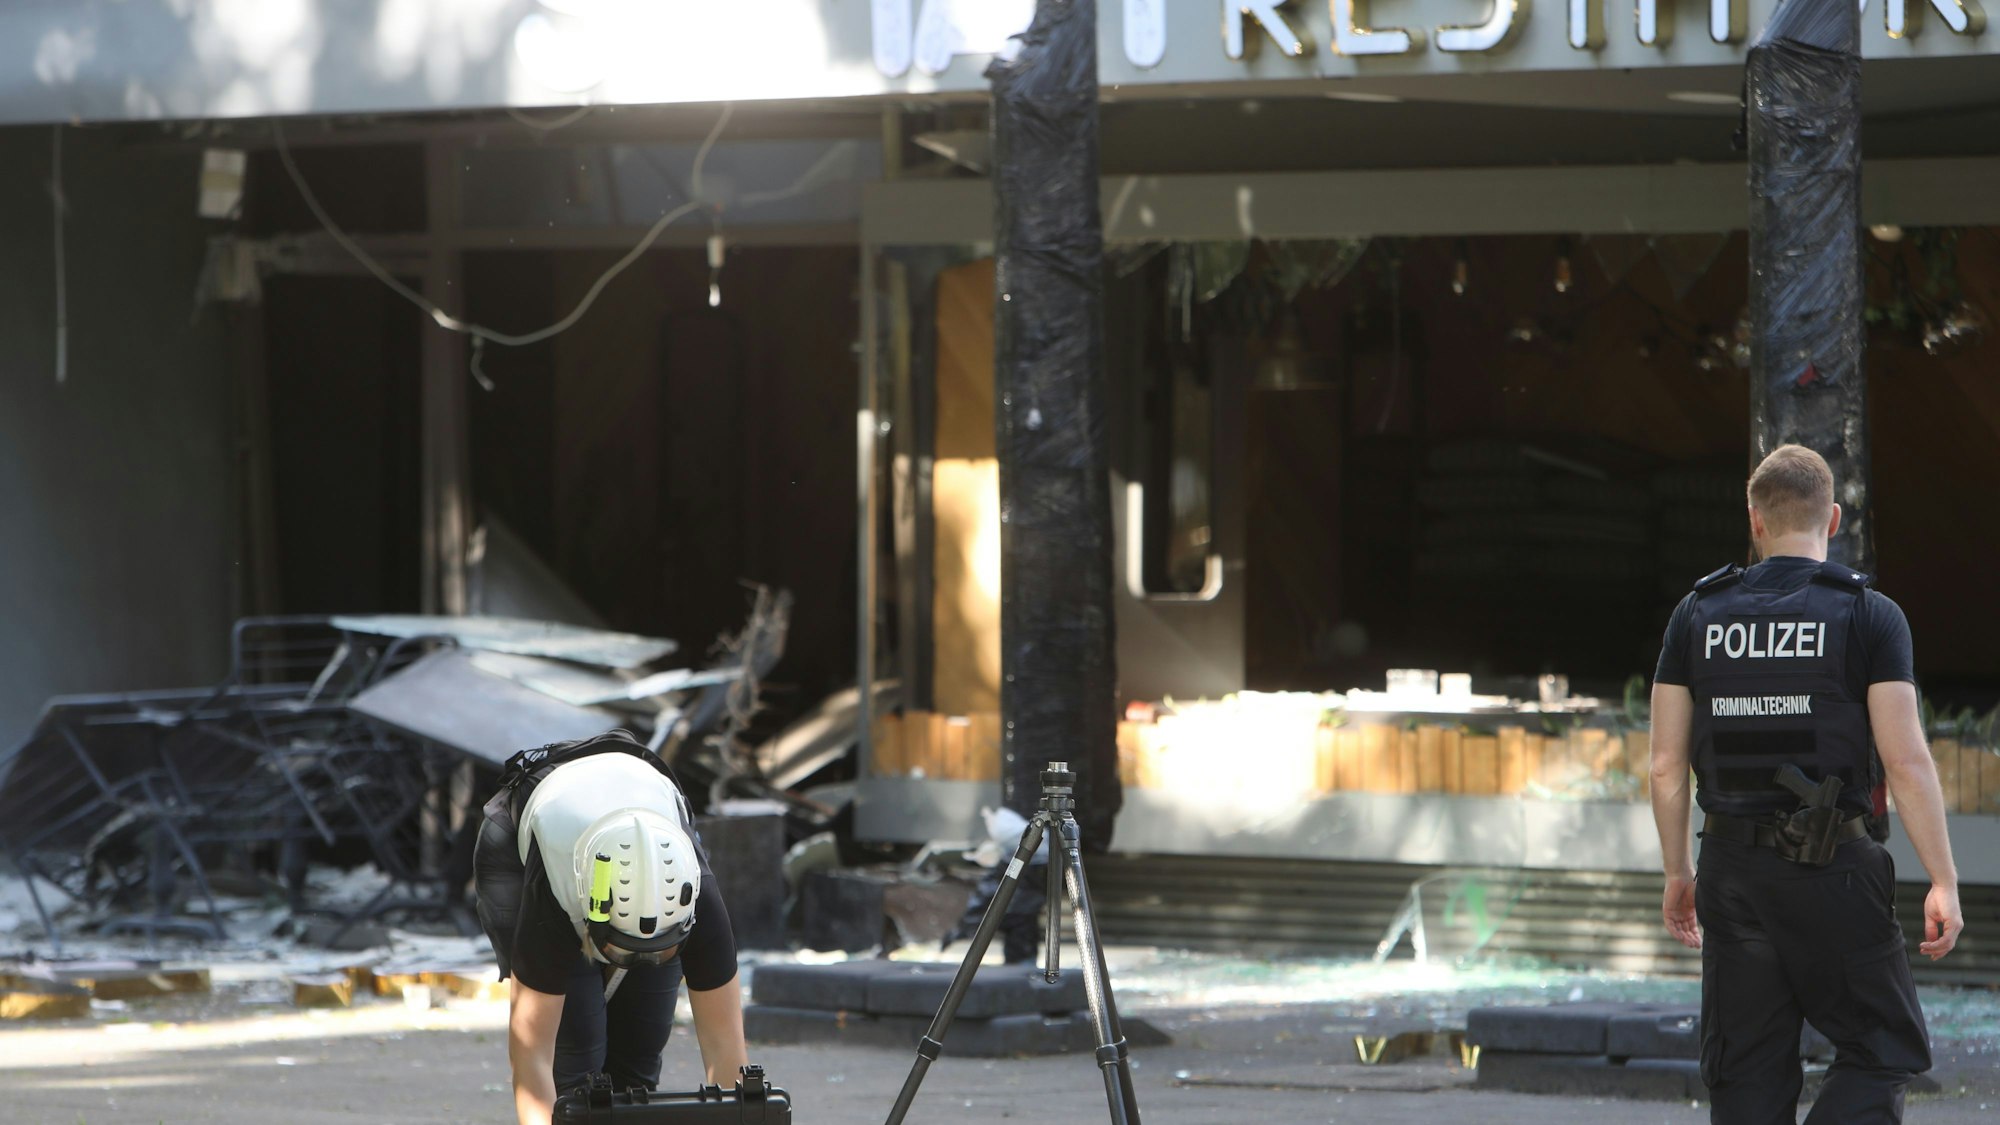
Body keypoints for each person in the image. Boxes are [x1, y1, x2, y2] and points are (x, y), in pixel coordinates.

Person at [1649, 444, 1963, 1125]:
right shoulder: (1869, 615)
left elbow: (1665, 764)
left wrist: (1680, 869)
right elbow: (1906, 760)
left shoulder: (1695, 614)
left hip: (1730, 870)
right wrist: (1942, 877)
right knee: (1883, 1047)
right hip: (1834, 868)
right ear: (1834, 517)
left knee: (1746, 1068)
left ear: (1754, 519)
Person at [474, 730, 748, 1125]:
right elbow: (532, 1061)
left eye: (659, 950)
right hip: (526, 847)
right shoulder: (552, 901)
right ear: (590, 920)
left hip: (635, 814)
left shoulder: (696, 899)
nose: (637, 961)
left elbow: (727, 1050)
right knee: (577, 1064)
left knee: (639, 1052)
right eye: (622, 951)